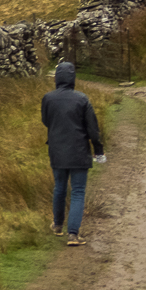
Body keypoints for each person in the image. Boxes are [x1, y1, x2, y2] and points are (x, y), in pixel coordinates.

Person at [41, 61, 105, 246]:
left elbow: (46, 121)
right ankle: (73, 234)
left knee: (59, 187)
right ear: (73, 78)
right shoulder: (82, 99)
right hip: (79, 151)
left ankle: (58, 225)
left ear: (57, 78)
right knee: (77, 191)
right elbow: (92, 128)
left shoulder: (48, 98)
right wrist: (98, 150)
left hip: (57, 149)